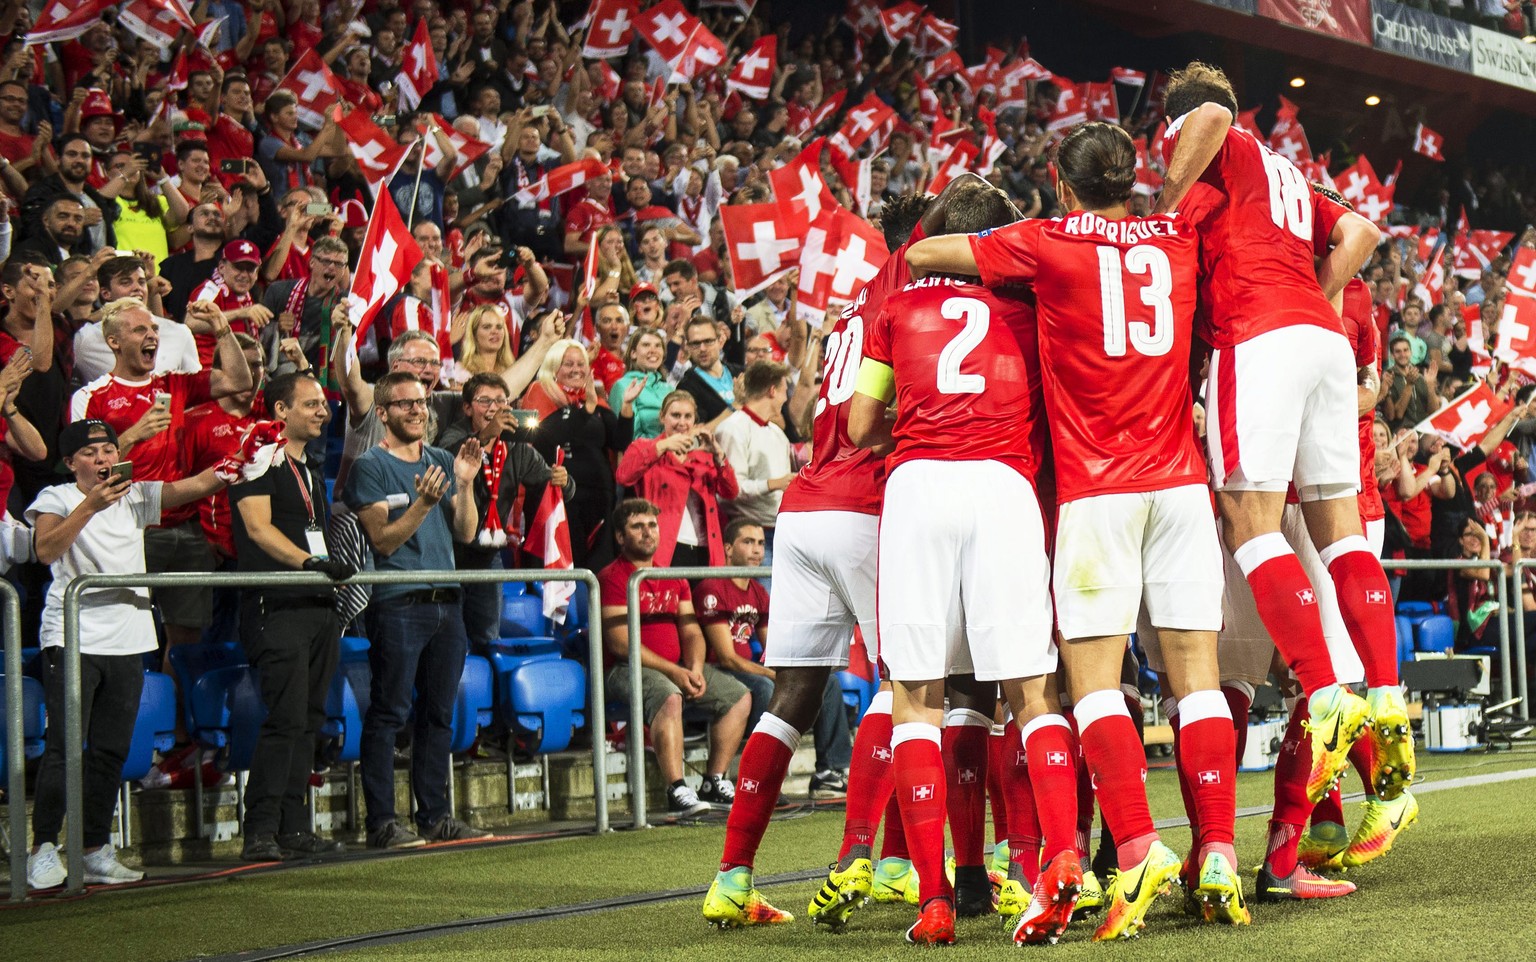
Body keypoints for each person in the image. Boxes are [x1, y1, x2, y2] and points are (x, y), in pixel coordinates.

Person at [908, 122, 1240, 935]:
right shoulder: (1178, 233)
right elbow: (1213, 130)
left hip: (1097, 492)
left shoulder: (1046, 241)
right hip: (1182, 485)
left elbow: (923, 256)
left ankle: (1135, 851)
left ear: (1060, 183)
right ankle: (1222, 852)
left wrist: (1002, 237)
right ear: (1131, 181)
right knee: (1195, 680)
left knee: (1091, 684)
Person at [701, 180, 989, 932]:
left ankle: (732, 877)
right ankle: (872, 854)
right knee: (912, 684)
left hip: (803, 511)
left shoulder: (848, 314)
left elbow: (807, 410)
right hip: (864, 507)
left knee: (792, 696)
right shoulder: (905, 282)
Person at [1154, 62, 1400, 807]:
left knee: (1248, 519)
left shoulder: (1208, 136)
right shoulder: (1288, 172)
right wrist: (1314, 300)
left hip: (1254, 336)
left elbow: (1210, 121)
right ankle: (1385, 695)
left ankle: (1325, 693)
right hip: (1320, 342)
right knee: (1341, 532)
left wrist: (1165, 209)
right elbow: (1362, 229)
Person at [847, 184, 1077, 947]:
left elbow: (859, 424)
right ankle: (1064, 859)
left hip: (919, 483)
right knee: (1031, 688)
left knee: (913, 693)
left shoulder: (896, 307)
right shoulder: (1027, 309)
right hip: (1005, 483)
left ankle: (936, 901)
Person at [25, 418, 232, 889]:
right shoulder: (56, 498)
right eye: (91, 452)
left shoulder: (134, 495)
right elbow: (45, 550)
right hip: (73, 636)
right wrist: (90, 506)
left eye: (107, 449)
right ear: (71, 461)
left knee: (111, 750)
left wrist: (238, 465)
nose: (102, 458)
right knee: (63, 749)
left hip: (130, 638)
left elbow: (194, 485)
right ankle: (42, 848)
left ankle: (93, 847)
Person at [342, 371, 491, 849]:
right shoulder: (370, 467)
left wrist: (463, 486)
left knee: (439, 715)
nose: (416, 410)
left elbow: (466, 533)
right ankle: (382, 823)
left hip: (448, 602)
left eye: (421, 403)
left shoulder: (443, 459)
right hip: (398, 604)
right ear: (382, 413)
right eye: (404, 404)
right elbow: (383, 541)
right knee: (389, 714)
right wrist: (425, 502)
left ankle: (435, 817)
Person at [71, 298, 254, 666]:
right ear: (114, 342)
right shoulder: (91, 398)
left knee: (185, 644)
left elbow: (239, 380)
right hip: (129, 528)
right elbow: (81, 474)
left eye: (154, 329)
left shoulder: (174, 385)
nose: (152, 335)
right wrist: (132, 436)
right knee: (125, 635)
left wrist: (221, 327)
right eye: (140, 329)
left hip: (184, 528)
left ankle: (175, 724)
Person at [230, 373, 355, 861]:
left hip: (316, 605)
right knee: (284, 719)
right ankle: (259, 829)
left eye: (324, 405)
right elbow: (258, 530)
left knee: (308, 719)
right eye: (311, 405)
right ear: (280, 411)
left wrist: (319, 571)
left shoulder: (307, 466)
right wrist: (312, 563)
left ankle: (294, 825)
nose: (323, 413)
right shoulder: (257, 459)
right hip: (277, 604)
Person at [598, 499, 751, 816]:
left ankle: (714, 780)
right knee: (669, 696)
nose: (647, 532)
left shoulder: (674, 576)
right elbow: (621, 644)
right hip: (625, 670)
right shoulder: (612, 577)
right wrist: (676, 673)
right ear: (620, 537)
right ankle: (677, 788)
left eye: (652, 525)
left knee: (739, 696)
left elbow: (692, 631)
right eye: (637, 526)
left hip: (676, 669)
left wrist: (694, 668)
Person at [696, 520, 851, 796]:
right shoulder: (713, 587)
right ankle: (761, 778)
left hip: (751, 669)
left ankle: (830, 770)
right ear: (728, 549)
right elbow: (727, 657)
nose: (756, 550)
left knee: (827, 683)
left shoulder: (759, 591)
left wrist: (800, 669)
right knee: (767, 688)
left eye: (760, 543)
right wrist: (772, 674)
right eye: (748, 542)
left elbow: (774, 647)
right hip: (721, 670)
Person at [437, 372, 572, 652]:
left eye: (501, 401)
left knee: (488, 637)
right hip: (447, 555)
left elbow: (557, 489)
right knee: (447, 639)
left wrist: (564, 481)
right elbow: (446, 458)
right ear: (467, 408)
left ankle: (490, 694)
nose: (494, 408)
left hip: (488, 557)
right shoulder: (455, 433)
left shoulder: (517, 447)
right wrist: (487, 434)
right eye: (485, 401)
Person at [519, 338, 624, 564]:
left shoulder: (592, 398)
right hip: (559, 494)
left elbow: (620, 441)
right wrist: (585, 411)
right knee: (567, 561)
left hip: (600, 494)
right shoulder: (540, 390)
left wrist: (627, 409)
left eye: (581, 364)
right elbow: (548, 436)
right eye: (568, 364)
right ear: (553, 367)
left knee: (599, 563)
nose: (576, 369)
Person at [614, 390, 737, 568]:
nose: (682, 422)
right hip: (665, 549)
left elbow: (731, 492)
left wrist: (719, 456)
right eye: (675, 415)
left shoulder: (704, 456)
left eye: (688, 416)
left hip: (706, 548)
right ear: (662, 417)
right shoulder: (644, 447)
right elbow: (623, 476)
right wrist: (662, 446)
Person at [714, 361, 796, 559]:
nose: (786, 399)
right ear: (772, 390)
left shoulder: (778, 434)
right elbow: (730, 491)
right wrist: (773, 484)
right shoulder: (733, 429)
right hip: (748, 534)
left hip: (781, 532)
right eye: (785, 391)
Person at [607, 327, 673, 442]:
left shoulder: (670, 389)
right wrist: (664, 446)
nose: (653, 350)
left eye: (658, 346)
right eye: (646, 345)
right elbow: (630, 437)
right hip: (644, 454)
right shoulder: (623, 386)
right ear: (633, 353)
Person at [677, 316, 739, 429]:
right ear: (688, 347)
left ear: (720, 342)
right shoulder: (686, 387)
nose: (702, 348)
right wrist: (736, 406)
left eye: (708, 341)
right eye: (695, 343)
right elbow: (697, 434)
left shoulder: (741, 373)